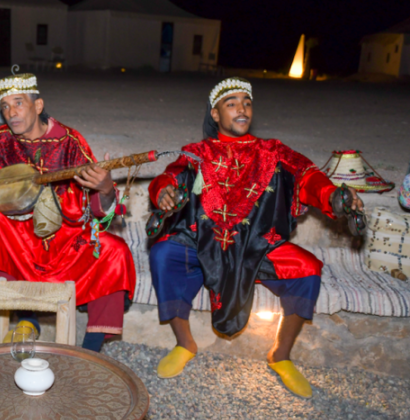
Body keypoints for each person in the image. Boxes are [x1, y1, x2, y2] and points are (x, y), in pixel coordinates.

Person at [148, 77, 363, 397]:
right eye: (231, 103)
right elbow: (170, 175)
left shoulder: (272, 151)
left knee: (308, 270)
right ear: (216, 115)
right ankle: (185, 343)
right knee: (163, 254)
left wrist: (332, 196)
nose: (242, 109)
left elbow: (307, 175)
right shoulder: (197, 153)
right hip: (204, 242)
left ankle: (281, 355)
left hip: (258, 245)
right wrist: (163, 191)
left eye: (247, 103)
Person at [0, 72, 136, 352]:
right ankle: (25, 315)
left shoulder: (71, 141)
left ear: (38, 106)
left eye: (18, 103)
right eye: (5, 106)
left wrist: (106, 187)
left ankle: (91, 349)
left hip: (64, 238)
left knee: (115, 250)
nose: (11, 113)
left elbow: (97, 206)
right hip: (17, 239)